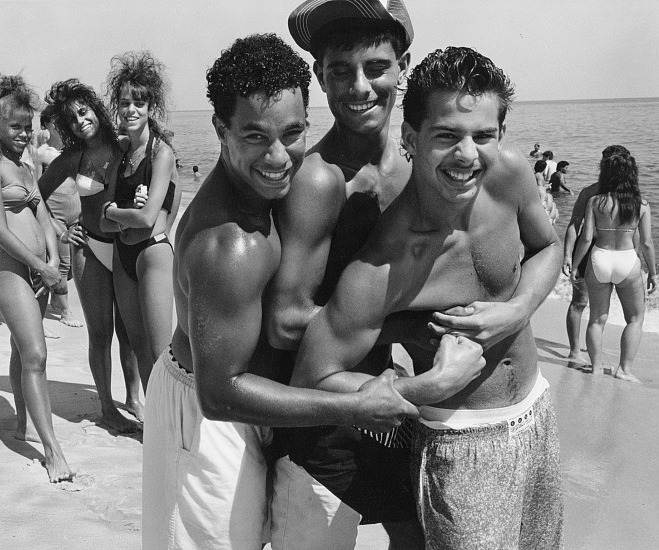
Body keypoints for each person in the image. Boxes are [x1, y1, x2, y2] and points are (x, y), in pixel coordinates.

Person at [269, 2, 557, 547]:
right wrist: (411, 328)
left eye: (375, 67)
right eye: (339, 70)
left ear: (402, 66)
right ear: (319, 75)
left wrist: (517, 309)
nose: (359, 88)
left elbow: (543, 244)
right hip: (341, 412)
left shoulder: (441, 166)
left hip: (412, 407)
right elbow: (288, 325)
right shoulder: (322, 182)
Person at [141, 33, 443, 550]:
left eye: (293, 132)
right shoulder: (231, 244)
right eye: (255, 136)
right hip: (210, 413)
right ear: (221, 130)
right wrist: (354, 406)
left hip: (261, 404)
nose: (280, 156)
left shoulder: (274, 192)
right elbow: (221, 394)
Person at [0, 74, 73, 482]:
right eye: (15, 126)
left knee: (20, 350)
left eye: (27, 127)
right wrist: (40, 264)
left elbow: (42, 216)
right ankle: (52, 451)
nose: (23, 134)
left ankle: (21, 422)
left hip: (38, 270)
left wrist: (54, 256)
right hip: (10, 270)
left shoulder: (27, 167)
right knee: (36, 355)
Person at [40, 79, 143, 431]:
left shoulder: (124, 145)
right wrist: (61, 231)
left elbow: (160, 175)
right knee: (101, 333)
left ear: (95, 109)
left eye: (83, 112)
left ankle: (134, 397)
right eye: (71, 120)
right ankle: (107, 408)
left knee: (130, 330)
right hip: (88, 249)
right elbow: (36, 198)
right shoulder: (72, 158)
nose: (80, 121)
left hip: (126, 246)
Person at [100, 51, 182, 390]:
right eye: (124, 103)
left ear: (151, 109)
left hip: (153, 255)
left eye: (139, 104)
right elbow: (104, 224)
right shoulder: (119, 156)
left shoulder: (161, 154)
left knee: (163, 351)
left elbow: (148, 218)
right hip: (123, 256)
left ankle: (178, 428)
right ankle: (156, 426)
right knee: (136, 345)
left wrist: (114, 213)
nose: (131, 110)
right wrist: (121, 218)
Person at [571, 152, 656, 382]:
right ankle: (624, 370)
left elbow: (586, 239)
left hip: (600, 259)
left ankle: (596, 367)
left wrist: (575, 265)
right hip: (627, 260)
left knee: (597, 319)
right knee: (635, 318)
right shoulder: (642, 204)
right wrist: (653, 273)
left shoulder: (595, 202)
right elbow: (647, 243)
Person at [562, 145, 630, 363]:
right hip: (589, 249)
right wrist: (567, 256)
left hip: (612, 253)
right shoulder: (589, 192)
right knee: (580, 302)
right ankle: (574, 351)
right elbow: (574, 224)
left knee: (600, 308)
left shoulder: (628, 195)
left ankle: (593, 352)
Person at [36, 106, 83, 328]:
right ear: (47, 125)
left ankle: (57, 296)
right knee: (63, 264)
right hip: (56, 214)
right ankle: (65, 311)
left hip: (76, 212)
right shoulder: (43, 152)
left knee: (74, 266)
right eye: (57, 123)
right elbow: (36, 189)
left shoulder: (70, 151)